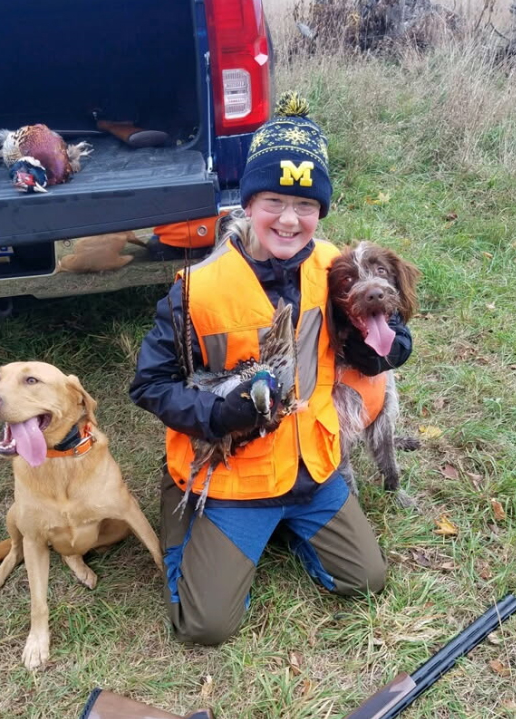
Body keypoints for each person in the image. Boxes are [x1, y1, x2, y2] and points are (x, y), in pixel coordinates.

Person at [129, 93, 413, 645]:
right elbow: (149, 384)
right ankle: (186, 517)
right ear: (248, 202)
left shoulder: (334, 268)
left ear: (321, 212)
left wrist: (388, 342)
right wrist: (216, 413)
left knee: (366, 579)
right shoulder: (198, 288)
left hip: (312, 466)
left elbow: (376, 335)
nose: (289, 219)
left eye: (306, 206)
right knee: (206, 626)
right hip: (234, 474)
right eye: (274, 202)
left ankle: (285, 529)